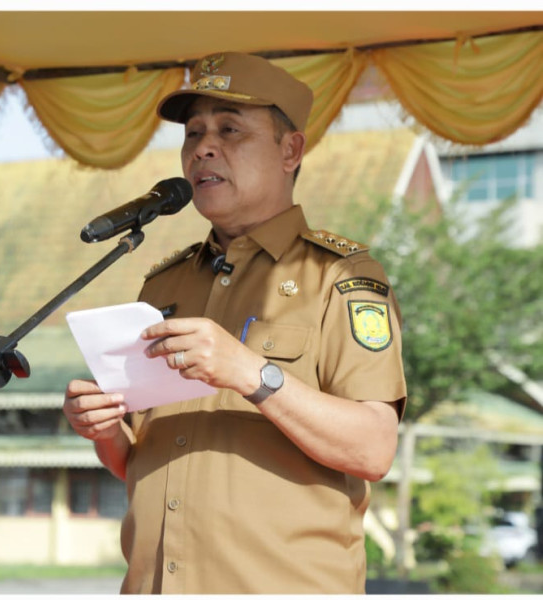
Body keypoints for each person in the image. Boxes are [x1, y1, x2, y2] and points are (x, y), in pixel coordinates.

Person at [63, 51, 406, 594]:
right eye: (193, 131)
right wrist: (104, 430)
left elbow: (373, 449)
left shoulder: (339, 276)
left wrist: (252, 373)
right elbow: (141, 463)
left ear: (290, 150)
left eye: (230, 129)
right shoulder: (163, 285)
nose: (202, 147)